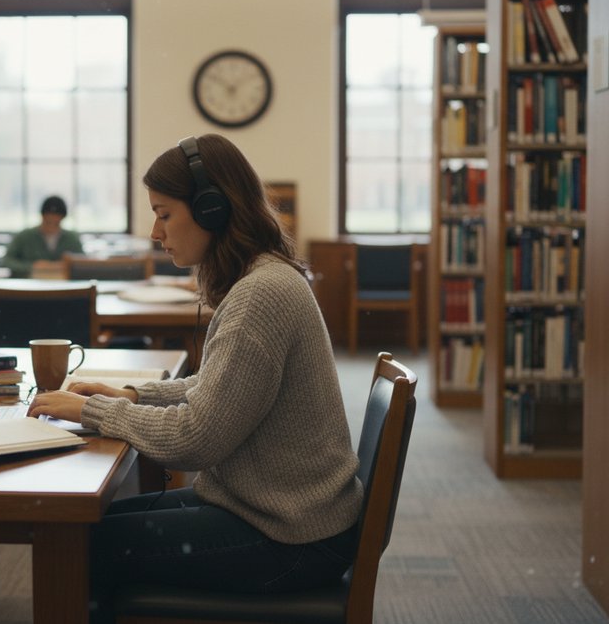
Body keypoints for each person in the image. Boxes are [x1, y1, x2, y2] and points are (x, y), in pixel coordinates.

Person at [27, 134, 361, 622]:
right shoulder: (262, 278)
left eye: (164, 214)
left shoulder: (261, 295)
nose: (154, 232)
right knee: (84, 525)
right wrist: (131, 394)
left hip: (291, 537)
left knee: (80, 545)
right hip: (284, 514)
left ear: (212, 210)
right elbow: (217, 389)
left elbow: (197, 439)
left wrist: (95, 411)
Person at [0, 195, 84, 278]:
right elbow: (6, 261)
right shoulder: (24, 236)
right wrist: (32, 266)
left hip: (64, 285)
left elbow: (83, 263)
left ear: (62, 218)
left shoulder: (72, 239)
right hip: (29, 284)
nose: (51, 225)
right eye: (48, 222)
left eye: (56, 223)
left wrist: (65, 266)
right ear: (42, 216)